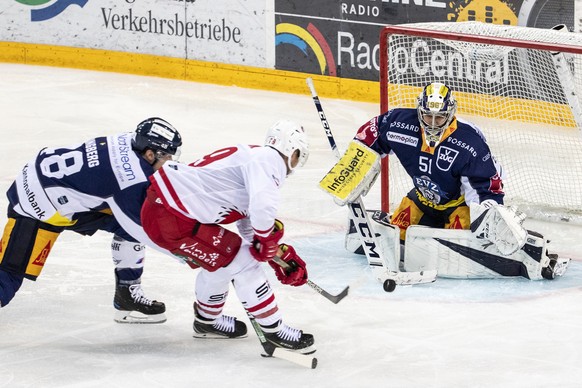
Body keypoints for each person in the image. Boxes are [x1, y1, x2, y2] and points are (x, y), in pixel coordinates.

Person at [327, 82, 569, 280]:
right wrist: (352, 166)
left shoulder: (469, 142)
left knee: (462, 245)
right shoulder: (400, 123)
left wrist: (488, 215)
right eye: (427, 116)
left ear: (450, 113)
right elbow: (372, 134)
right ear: (419, 111)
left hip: (458, 205)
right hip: (422, 198)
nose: (432, 123)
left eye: (439, 118)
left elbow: (487, 186)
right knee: (395, 237)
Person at [140, 119, 315, 354]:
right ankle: (274, 331)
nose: (295, 163)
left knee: (222, 262)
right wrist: (266, 244)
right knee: (243, 264)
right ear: (289, 147)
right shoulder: (269, 160)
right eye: (297, 156)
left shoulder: (255, 158)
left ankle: (207, 321)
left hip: (168, 211)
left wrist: (276, 254)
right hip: (171, 216)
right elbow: (262, 209)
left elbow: (248, 221)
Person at [0, 117, 183, 322]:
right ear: (150, 154)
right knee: (8, 276)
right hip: (35, 205)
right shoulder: (129, 179)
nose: (170, 160)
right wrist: (187, 255)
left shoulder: (127, 140)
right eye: (167, 155)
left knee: (127, 224)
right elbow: (145, 230)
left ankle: (126, 295)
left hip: (48, 182)